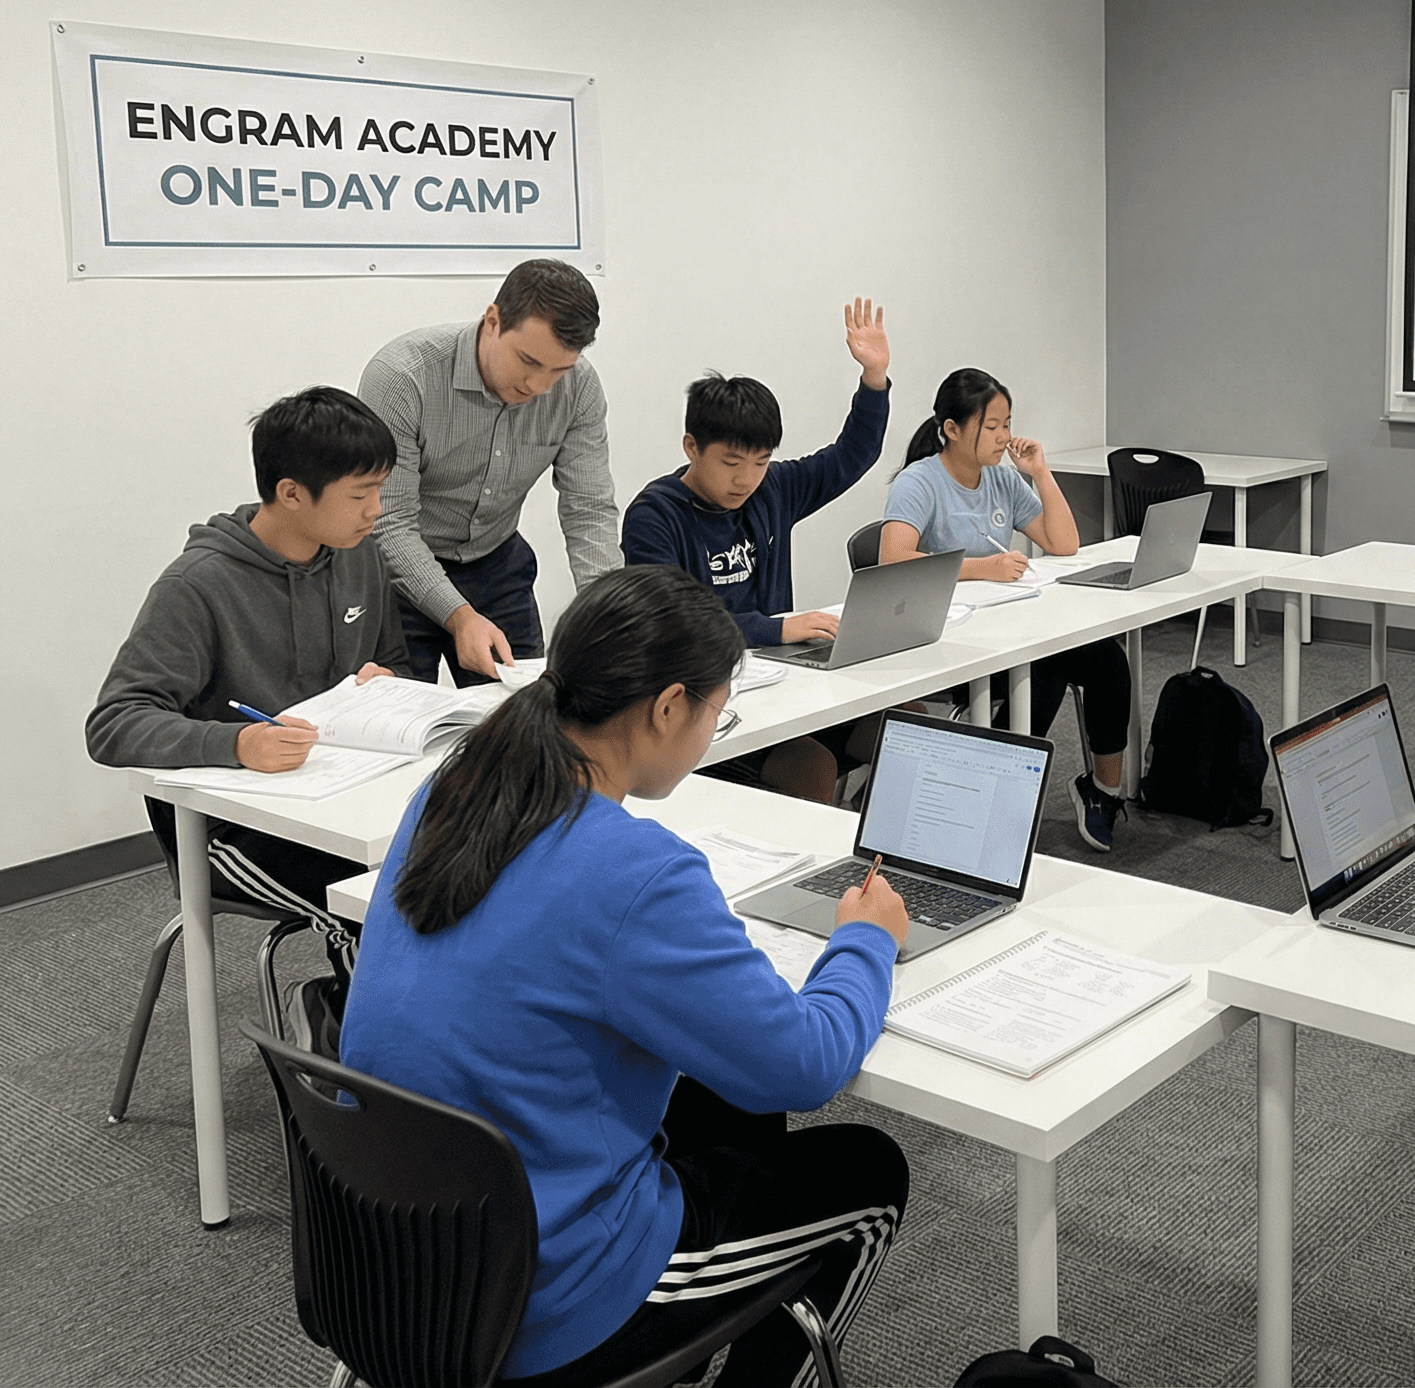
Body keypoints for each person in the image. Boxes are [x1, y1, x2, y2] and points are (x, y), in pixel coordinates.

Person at [341, 565, 911, 1387]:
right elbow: (806, 1067)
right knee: (869, 1173)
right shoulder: (635, 871)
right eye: (717, 712)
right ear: (669, 707)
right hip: (546, 1296)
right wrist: (865, 941)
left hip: (398, 1255)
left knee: (724, 1099)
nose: (713, 732)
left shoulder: (455, 788)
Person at [87, 387, 410, 984]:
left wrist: (387, 684)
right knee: (381, 910)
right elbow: (114, 723)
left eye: (380, 490)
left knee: (466, 865)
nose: (376, 510)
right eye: (360, 494)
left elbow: (392, 660)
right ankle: (356, 1037)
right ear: (291, 493)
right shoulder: (197, 586)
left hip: (342, 799)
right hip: (228, 831)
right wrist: (236, 744)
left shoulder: (359, 556)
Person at [622, 299, 893, 802]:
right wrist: (777, 628)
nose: (745, 479)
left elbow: (851, 456)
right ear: (691, 447)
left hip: (780, 680)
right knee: (810, 766)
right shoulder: (655, 516)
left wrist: (873, 379)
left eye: (760, 461)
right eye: (731, 463)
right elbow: (671, 628)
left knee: (901, 724)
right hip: (701, 701)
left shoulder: (772, 490)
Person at [881, 369, 1132, 852]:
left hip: (1008, 630)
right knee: (1043, 669)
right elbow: (893, 560)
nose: (1004, 437)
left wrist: (1040, 473)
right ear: (952, 429)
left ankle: (1102, 791)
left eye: (1007, 424)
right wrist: (982, 568)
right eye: (991, 426)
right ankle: (984, 789)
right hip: (947, 643)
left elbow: (1064, 543)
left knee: (1106, 659)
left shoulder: (1000, 478)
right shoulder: (920, 482)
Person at [360, 258, 620, 685]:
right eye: (528, 361)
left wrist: (609, 611)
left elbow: (588, 508)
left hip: (497, 564)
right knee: (405, 712)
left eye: (558, 371)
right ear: (493, 320)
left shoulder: (579, 388)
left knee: (522, 709)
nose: (538, 386)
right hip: (396, 571)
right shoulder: (404, 378)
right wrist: (459, 616)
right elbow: (389, 521)